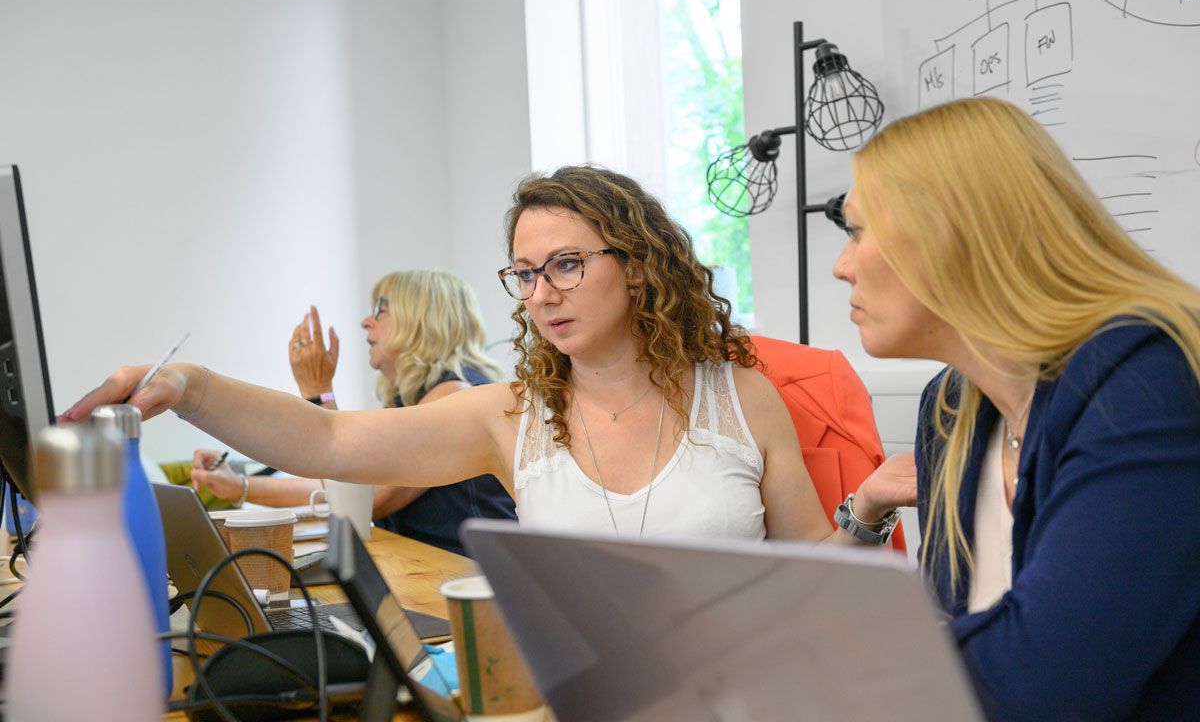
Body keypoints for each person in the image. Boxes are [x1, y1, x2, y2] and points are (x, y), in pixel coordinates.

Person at [63, 165, 912, 542]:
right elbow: (328, 445)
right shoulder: (513, 418)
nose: (541, 293)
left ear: (642, 267)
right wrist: (188, 385)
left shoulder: (741, 397)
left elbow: (813, 574)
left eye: (568, 265)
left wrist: (867, 511)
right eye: (526, 272)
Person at [831, 97, 1200, 721]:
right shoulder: (950, 406)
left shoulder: (1145, 377)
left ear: (953, 232)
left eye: (858, 231)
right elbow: (965, 632)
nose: (842, 267)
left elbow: (1046, 680)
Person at [190, 271, 516, 556]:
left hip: (469, 580)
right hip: (432, 570)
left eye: (381, 310)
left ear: (421, 321)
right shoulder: (417, 399)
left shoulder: (455, 395)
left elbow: (365, 498)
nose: (366, 321)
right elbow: (336, 486)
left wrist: (318, 391)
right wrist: (241, 487)